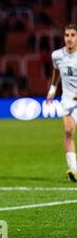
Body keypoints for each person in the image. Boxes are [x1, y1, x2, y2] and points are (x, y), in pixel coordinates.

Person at [46, 24, 77, 182]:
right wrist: (52, 89)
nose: (69, 38)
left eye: (72, 35)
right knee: (69, 131)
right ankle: (74, 169)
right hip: (69, 99)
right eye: (67, 35)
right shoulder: (57, 55)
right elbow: (56, 71)